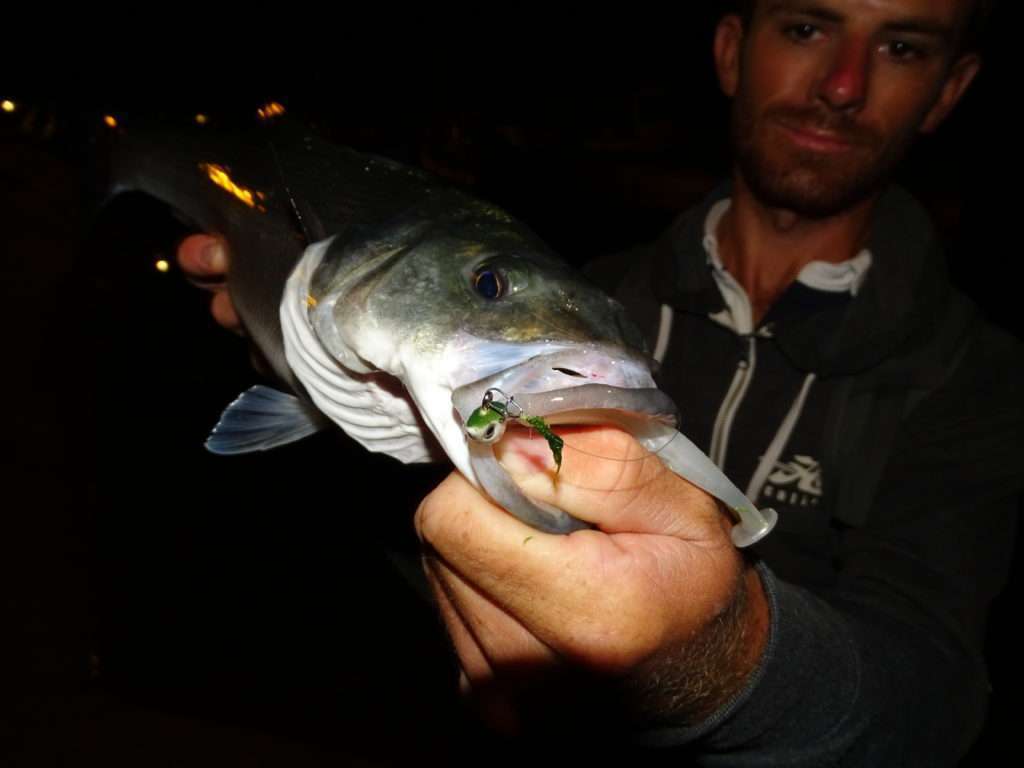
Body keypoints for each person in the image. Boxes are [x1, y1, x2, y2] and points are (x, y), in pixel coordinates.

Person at [178, 0, 1022, 762]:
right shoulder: (591, 291)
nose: (843, 84)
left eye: (904, 47)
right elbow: (413, 572)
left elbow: (940, 699)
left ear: (950, 91)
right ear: (731, 51)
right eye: (806, 27)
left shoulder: (972, 375)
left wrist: (723, 662)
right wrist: (332, 383)